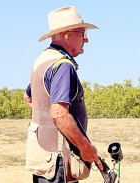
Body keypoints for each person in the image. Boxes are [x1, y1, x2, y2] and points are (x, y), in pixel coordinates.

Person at [24, 6, 103, 183]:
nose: (86, 39)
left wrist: (45, 125)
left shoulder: (43, 60)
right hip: (58, 159)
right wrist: (85, 148)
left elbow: (29, 97)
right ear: (66, 34)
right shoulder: (62, 65)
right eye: (82, 33)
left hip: (45, 159)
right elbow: (59, 113)